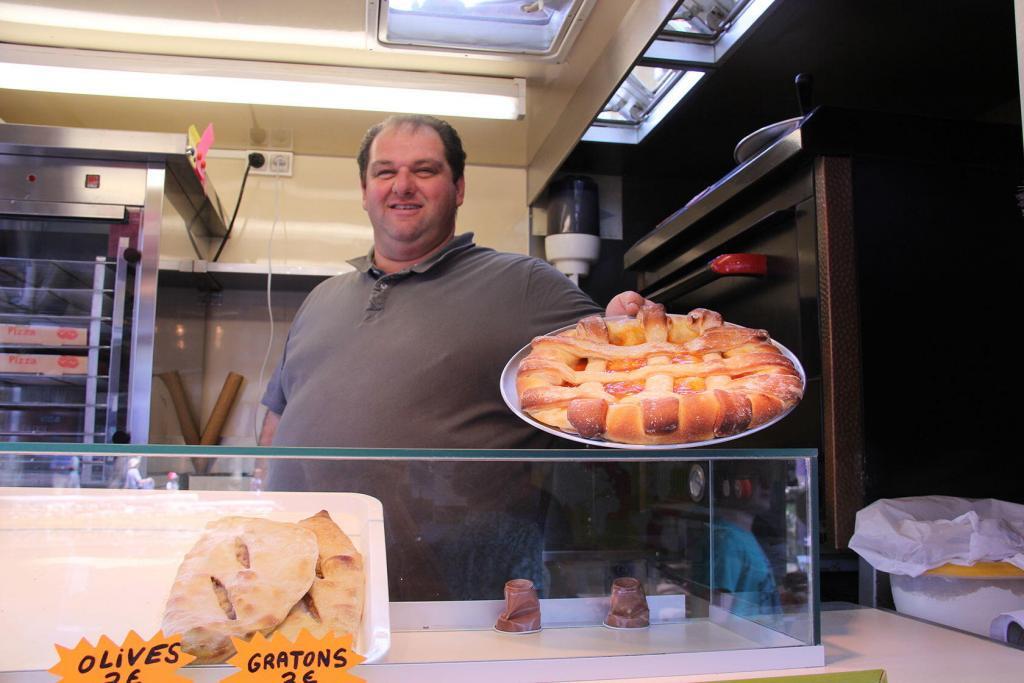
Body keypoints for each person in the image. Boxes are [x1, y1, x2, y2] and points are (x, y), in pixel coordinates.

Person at [258, 114, 649, 600]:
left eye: (424, 170)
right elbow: (279, 416)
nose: (402, 185)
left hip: (450, 589)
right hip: (296, 584)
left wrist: (625, 328)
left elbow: (615, 358)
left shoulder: (524, 285)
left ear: (459, 187)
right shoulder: (321, 297)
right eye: (384, 172)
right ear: (364, 190)